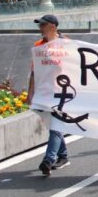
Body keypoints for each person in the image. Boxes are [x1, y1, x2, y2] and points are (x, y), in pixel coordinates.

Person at [26, 14, 71, 177]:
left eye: (43, 25)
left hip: (62, 91)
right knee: (52, 124)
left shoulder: (66, 44)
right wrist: (30, 92)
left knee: (56, 125)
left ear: (53, 26)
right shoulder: (38, 46)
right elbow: (33, 72)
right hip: (45, 91)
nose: (40, 29)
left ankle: (49, 159)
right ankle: (63, 156)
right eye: (40, 26)